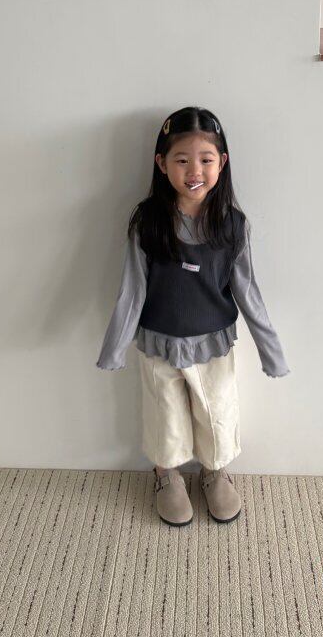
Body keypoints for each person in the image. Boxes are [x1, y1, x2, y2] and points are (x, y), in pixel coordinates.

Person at [96, 106, 289, 527]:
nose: (194, 170)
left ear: (222, 162)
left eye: (206, 159)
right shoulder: (148, 223)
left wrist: (271, 351)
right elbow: (133, 288)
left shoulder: (232, 226)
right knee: (164, 414)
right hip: (159, 342)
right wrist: (114, 348)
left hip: (213, 342)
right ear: (162, 163)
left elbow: (247, 291)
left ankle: (215, 471)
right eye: (182, 160)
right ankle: (166, 474)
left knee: (217, 410)